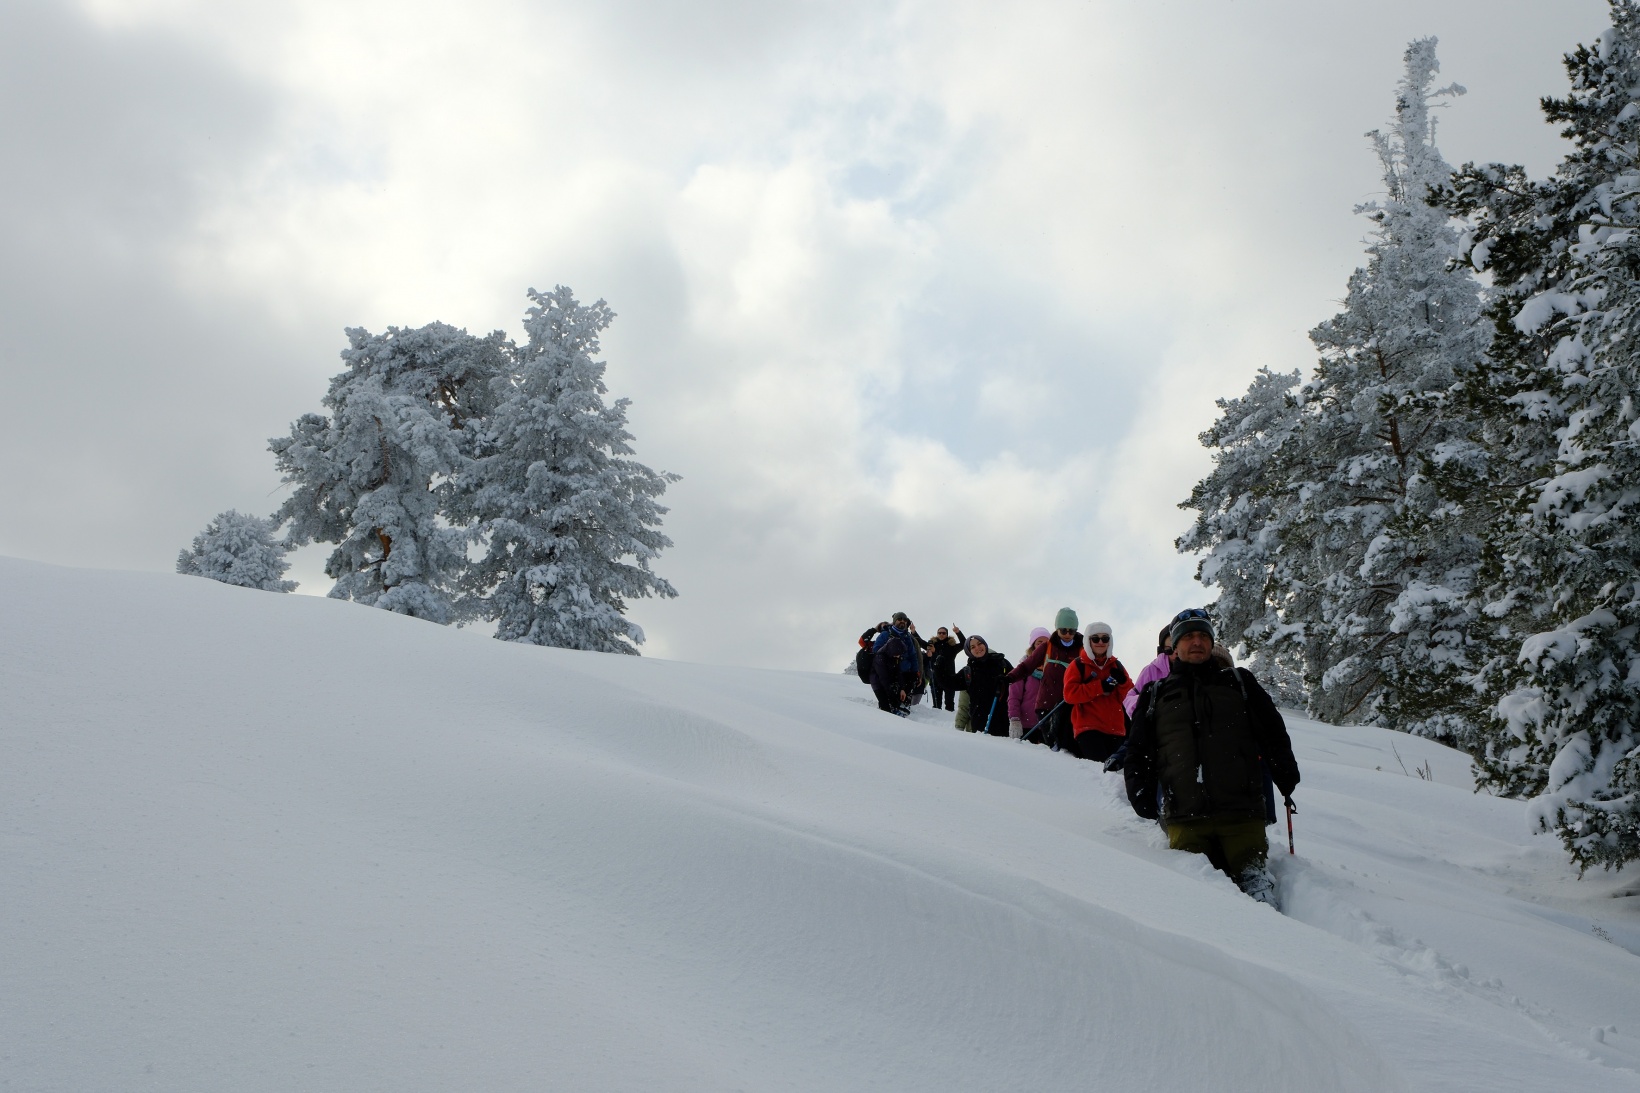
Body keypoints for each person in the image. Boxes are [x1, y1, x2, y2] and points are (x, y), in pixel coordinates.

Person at [1111, 609, 1299, 905]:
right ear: (1174, 646)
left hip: (1242, 815)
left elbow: (1272, 732)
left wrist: (1285, 773)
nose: (1196, 642)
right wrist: (1139, 791)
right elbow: (1139, 750)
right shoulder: (1155, 693)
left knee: (1257, 893)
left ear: (1212, 642)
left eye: (1202, 635)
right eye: (1188, 636)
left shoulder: (1239, 682)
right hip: (1185, 819)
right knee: (1197, 899)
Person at [1005, 607, 1084, 748]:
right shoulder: (1047, 647)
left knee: (1067, 747)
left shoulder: (1082, 650)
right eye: (1063, 630)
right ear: (1057, 629)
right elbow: (1026, 666)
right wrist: (1009, 678)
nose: (1067, 634)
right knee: (1051, 746)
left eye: (1071, 631)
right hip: (1047, 704)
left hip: (1070, 705)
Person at [1059, 621, 1132, 762]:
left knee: (1111, 772)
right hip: (1088, 728)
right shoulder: (1078, 665)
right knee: (1099, 770)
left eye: (1105, 638)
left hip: (1116, 729)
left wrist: (1123, 682)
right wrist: (1100, 687)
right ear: (1088, 641)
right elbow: (1069, 695)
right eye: (1095, 639)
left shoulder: (1117, 665)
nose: (1100, 642)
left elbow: (1128, 697)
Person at [951, 634, 1014, 736]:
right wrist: (959, 726)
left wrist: (959, 726)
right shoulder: (970, 672)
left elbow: (963, 705)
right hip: (983, 725)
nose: (978, 649)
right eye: (973, 647)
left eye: (980, 644)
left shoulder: (1003, 665)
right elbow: (964, 704)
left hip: (999, 723)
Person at [1007, 627, 1050, 739]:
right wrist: (1014, 719)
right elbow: (1014, 697)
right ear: (1033, 646)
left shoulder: (1055, 670)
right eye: (1039, 642)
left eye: (1046, 643)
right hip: (1027, 727)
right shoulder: (1022, 670)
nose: (1043, 646)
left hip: (1049, 726)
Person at [1123, 625, 1174, 720]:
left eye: (1178, 647)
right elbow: (1129, 698)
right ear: (1163, 649)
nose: (1176, 652)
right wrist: (1148, 703)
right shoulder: (1152, 670)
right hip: (1158, 723)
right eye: (1169, 649)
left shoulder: (1196, 664)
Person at [873, 613, 923, 706]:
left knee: (905, 697)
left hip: (906, 672)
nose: (902, 621)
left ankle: (903, 707)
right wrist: (891, 653)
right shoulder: (885, 634)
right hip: (890, 671)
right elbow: (876, 651)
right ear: (894, 621)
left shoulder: (908, 637)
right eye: (899, 619)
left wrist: (916, 672)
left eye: (905, 620)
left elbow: (913, 656)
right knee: (891, 696)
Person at [925, 626, 965, 712]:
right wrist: (913, 631)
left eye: (943, 633)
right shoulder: (931, 645)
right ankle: (935, 720)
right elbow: (920, 642)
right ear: (937, 634)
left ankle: (948, 719)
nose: (941, 634)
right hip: (935, 677)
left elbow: (964, 644)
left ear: (947, 634)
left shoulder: (952, 647)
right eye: (939, 633)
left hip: (949, 677)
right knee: (936, 705)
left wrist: (958, 632)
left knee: (949, 704)